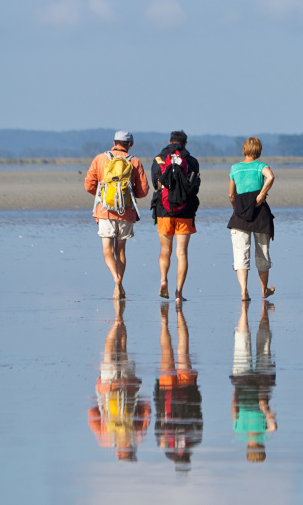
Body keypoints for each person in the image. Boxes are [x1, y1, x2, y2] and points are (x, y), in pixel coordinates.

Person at [83, 130, 149, 300]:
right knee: (121, 251)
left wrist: (103, 197)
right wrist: (127, 195)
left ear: (114, 142)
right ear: (130, 144)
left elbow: (89, 185)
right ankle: (119, 284)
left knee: (107, 251)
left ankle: (116, 279)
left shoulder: (100, 159)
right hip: (126, 212)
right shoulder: (134, 161)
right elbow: (143, 191)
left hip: (104, 212)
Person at [88, 299, 150, 461]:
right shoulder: (107, 439)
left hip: (127, 384)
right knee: (113, 348)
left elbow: (145, 411)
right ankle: (117, 322)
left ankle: (117, 322)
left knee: (121, 347)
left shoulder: (132, 436)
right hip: (109, 385)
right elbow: (93, 414)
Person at [150, 131, 200, 303]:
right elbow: (195, 186)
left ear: (169, 142)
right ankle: (179, 293)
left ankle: (164, 280)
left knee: (165, 251)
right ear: (185, 144)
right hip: (185, 212)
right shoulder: (192, 161)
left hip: (163, 210)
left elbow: (155, 184)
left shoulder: (159, 159)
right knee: (182, 253)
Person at [154, 303, 202, 470]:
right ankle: (165, 322)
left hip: (187, 387)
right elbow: (159, 417)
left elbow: (198, 412)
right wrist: (158, 390)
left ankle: (172, 318)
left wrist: (195, 387)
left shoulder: (195, 439)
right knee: (168, 351)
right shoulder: (166, 443)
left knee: (182, 350)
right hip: (168, 391)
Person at [228, 137, 276, 300]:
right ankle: (264, 290)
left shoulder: (235, 168)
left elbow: (231, 194)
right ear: (258, 150)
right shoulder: (261, 166)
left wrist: (237, 208)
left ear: (244, 149)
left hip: (240, 214)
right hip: (260, 213)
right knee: (262, 252)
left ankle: (244, 291)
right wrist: (262, 194)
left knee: (241, 253)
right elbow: (270, 176)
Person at [230, 300, 277, 463]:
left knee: (264, 345)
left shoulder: (264, 430)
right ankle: (244, 311)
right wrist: (236, 389)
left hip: (262, 383)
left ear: (261, 446)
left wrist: (270, 420)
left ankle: (263, 310)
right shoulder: (238, 429)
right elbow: (234, 405)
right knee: (242, 343)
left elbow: (263, 404)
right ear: (248, 447)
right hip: (241, 382)